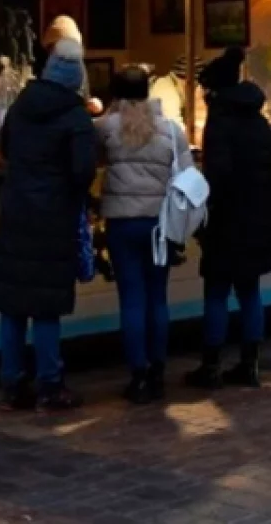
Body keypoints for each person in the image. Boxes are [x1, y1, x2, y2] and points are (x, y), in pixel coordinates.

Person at [0, 39, 96, 412]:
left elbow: (5, 148)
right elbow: (83, 170)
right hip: (53, 217)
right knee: (47, 307)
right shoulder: (75, 116)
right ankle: (50, 383)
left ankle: (11, 382)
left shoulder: (20, 107)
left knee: (14, 305)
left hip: (16, 212)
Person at [95, 65, 192, 403]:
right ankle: (158, 371)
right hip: (159, 223)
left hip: (122, 222)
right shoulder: (171, 129)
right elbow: (188, 173)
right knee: (158, 297)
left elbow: (88, 157)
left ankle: (137, 374)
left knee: (132, 299)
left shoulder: (106, 127)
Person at [185, 47, 271, 389]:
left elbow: (218, 175)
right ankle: (250, 363)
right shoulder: (258, 121)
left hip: (226, 219)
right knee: (250, 290)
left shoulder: (219, 123)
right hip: (257, 216)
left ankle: (210, 366)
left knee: (216, 292)